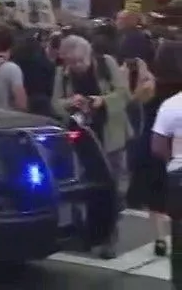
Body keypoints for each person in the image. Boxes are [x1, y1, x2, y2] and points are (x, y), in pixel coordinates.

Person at [53, 33, 131, 259]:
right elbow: (55, 103)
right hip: (82, 137)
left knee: (112, 186)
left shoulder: (106, 63)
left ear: (89, 55)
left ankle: (110, 237)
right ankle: (92, 234)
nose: (77, 66)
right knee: (90, 187)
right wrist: (70, 103)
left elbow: (124, 94)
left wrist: (103, 100)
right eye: (72, 62)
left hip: (110, 134)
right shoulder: (62, 73)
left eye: (81, 61)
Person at [134, 40, 182, 258]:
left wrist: (144, 75)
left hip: (153, 140)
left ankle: (160, 239)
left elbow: (136, 103)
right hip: (176, 144)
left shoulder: (151, 86)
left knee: (156, 195)